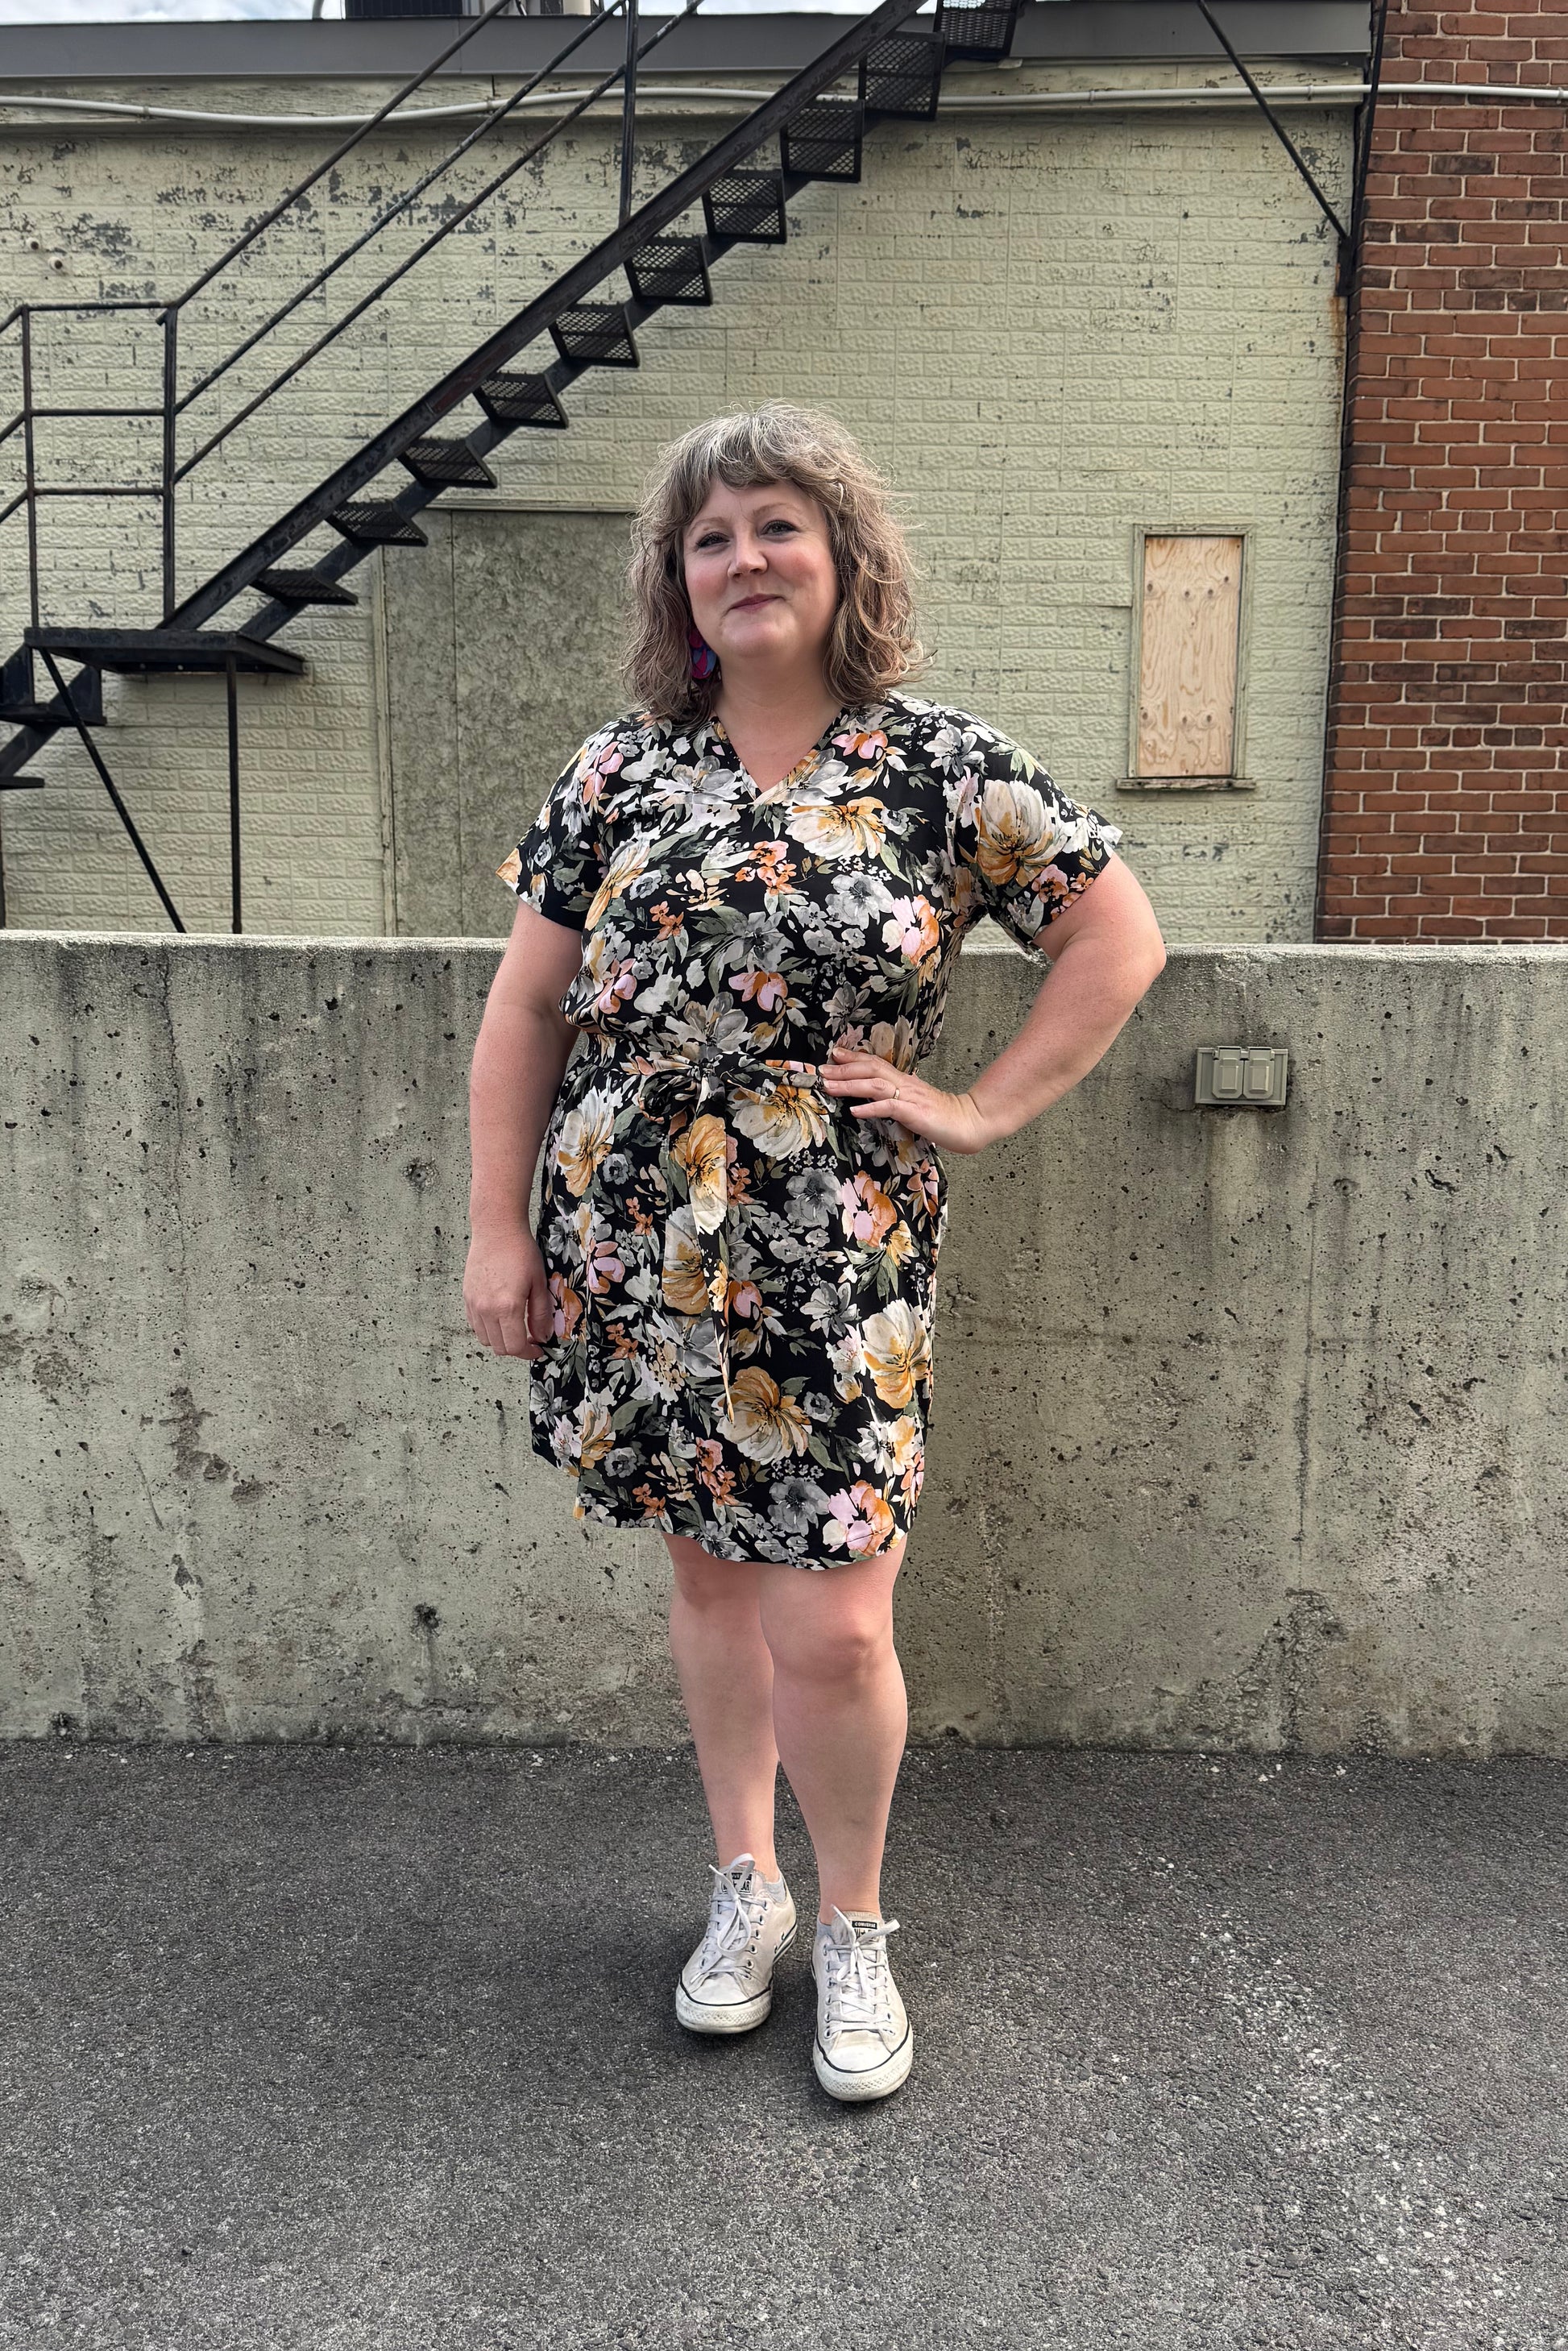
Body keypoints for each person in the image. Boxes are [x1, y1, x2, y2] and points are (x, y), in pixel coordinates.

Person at [464, 401, 1166, 2104]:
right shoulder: (618, 771)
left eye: (776, 523)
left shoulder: (940, 764)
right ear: (677, 583)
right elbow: (524, 1008)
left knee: (836, 1623)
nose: (743, 558)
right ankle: (746, 1882)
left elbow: (1115, 937)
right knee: (710, 1578)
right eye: (708, 537)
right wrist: (496, 1229)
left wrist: (977, 1107)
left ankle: (852, 1917)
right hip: (636, 1236)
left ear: (842, 555)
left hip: (836, 1250)